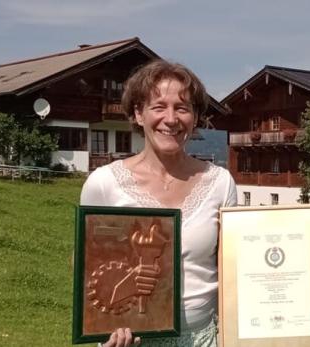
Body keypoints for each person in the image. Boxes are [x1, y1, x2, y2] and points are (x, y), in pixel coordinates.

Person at [80, 60, 237, 347]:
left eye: (182, 107)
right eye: (158, 106)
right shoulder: (103, 183)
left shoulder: (220, 182)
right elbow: (89, 271)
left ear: (195, 116)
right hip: (135, 339)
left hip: (205, 338)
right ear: (138, 114)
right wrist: (108, 328)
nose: (171, 118)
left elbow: (234, 269)